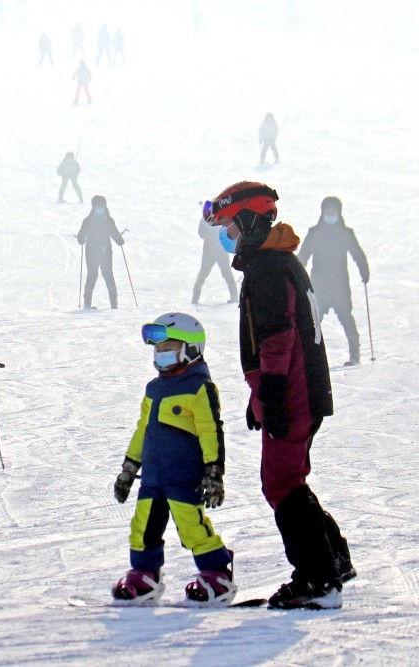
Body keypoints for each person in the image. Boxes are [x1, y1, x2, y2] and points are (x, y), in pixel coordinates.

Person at [205, 181, 354, 609]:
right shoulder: (277, 260)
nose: (228, 237)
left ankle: (318, 581)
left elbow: (277, 337)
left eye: (230, 228)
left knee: (282, 483)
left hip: (293, 391)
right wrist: (260, 394)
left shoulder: (269, 267)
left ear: (250, 219)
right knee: (290, 480)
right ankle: (333, 561)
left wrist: (270, 392)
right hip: (299, 388)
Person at [111, 313, 235, 606]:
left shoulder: (199, 387)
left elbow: (210, 430)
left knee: (192, 526)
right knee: (143, 528)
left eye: (169, 348)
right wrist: (129, 469)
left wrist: (214, 473)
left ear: (191, 349)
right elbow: (143, 431)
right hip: (153, 477)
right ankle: (144, 574)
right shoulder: (154, 389)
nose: (162, 355)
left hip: (183, 475)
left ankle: (217, 573)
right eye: (159, 349)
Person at [297, 196, 369, 366]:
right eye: (328, 210)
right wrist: (297, 274)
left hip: (340, 285)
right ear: (322, 212)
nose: (330, 213)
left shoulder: (345, 233)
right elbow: (303, 255)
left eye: (333, 210)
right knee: (313, 321)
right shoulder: (315, 232)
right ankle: (309, 355)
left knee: (346, 317)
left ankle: (354, 354)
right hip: (319, 285)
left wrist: (364, 271)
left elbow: (357, 253)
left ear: (339, 212)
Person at [76, 195, 124, 309]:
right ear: (93, 207)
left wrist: (119, 240)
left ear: (104, 206)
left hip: (105, 252)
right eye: (97, 206)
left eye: (101, 205)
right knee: (92, 275)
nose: (99, 208)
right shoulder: (88, 221)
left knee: (108, 274)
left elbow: (114, 233)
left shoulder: (108, 220)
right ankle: (87, 303)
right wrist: (81, 239)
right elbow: (81, 235)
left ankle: (114, 303)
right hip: (91, 252)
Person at [192, 216, 238, 304]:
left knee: (225, 273)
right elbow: (201, 233)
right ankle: (195, 299)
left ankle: (234, 298)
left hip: (219, 251)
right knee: (204, 274)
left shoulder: (210, 219)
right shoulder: (211, 218)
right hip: (213, 251)